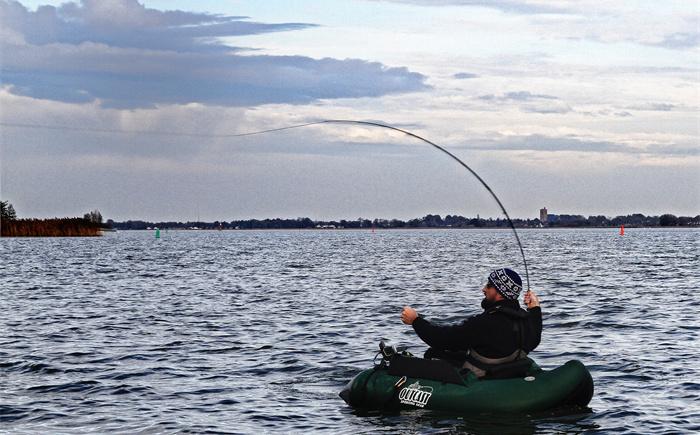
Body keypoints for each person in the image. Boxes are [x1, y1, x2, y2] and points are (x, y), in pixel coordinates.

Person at [400, 268, 542, 378]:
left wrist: (415, 321)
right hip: (510, 368)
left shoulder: (485, 322)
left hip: (485, 374)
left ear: (499, 292)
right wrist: (535, 308)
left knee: (433, 353)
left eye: (489, 285)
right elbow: (535, 339)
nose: (484, 289)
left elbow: (442, 339)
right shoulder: (527, 319)